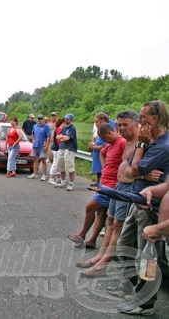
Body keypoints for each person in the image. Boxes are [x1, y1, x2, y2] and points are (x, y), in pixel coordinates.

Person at [114, 100, 169, 316]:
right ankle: (135, 289)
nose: (139, 120)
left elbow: (133, 171)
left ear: (155, 119)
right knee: (123, 247)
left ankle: (146, 303)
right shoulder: (151, 143)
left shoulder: (162, 146)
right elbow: (127, 172)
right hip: (136, 204)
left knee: (147, 259)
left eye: (143, 116)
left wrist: (139, 147)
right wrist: (140, 159)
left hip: (150, 209)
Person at [77, 110, 139, 276]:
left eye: (125, 124)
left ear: (136, 123)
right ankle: (100, 256)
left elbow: (144, 168)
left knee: (118, 224)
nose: (121, 128)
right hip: (118, 186)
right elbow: (105, 152)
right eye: (119, 125)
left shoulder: (139, 142)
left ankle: (103, 264)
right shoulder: (127, 142)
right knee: (110, 220)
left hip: (127, 188)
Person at [55, 113, 78, 191]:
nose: (66, 120)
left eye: (67, 119)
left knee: (70, 166)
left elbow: (67, 138)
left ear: (71, 120)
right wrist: (62, 137)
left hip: (69, 149)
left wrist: (62, 137)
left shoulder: (72, 128)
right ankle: (63, 181)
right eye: (65, 118)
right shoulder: (64, 128)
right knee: (60, 165)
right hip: (61, 148)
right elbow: (57, 137)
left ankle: (71, 183)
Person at [27, 114, 51, 181]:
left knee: (43, 160)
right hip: (35, 145)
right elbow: (33, 133)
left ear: (43, 119)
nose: (40, 120)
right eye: (39, 119)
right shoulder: (35, 126)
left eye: (41, 119)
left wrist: (46, 145)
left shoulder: (46, 127)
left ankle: (44, 175)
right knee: (35, 160)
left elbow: (48, 137)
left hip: (42, 145)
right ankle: (34, 173)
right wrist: (33, 140)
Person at [88, 113, 109, 187]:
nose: (95, 123)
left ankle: (101, 184)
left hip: (103, 158)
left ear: (103, 120)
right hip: (97, 156)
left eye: (97, 121)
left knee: (102, 170)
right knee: (98, 170)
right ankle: (98, 182)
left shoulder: (107, 131)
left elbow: (104, 146)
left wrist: (93, 147)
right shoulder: (99, 131)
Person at [48, 118, 65, 185]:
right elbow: (59, 140)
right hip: (57, 148)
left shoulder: (57, 128)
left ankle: (58, 178)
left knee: (58, 163)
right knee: (55, 163)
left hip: (55, 147)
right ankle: (51, 178)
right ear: (62, 123)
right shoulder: (59, 129)